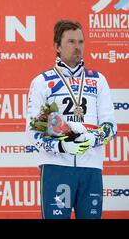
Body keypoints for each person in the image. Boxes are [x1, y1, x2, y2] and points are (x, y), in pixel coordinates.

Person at [25, 20, 117, 219]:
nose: (78, 47)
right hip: (56, 168)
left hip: (90, 168)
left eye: (81, 42)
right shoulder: (42, 82)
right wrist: (62, 147)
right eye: (71, 42)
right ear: (57, 46)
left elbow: (111, 126)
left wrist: (92, 138)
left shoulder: (98, 80)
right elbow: (33, 130)